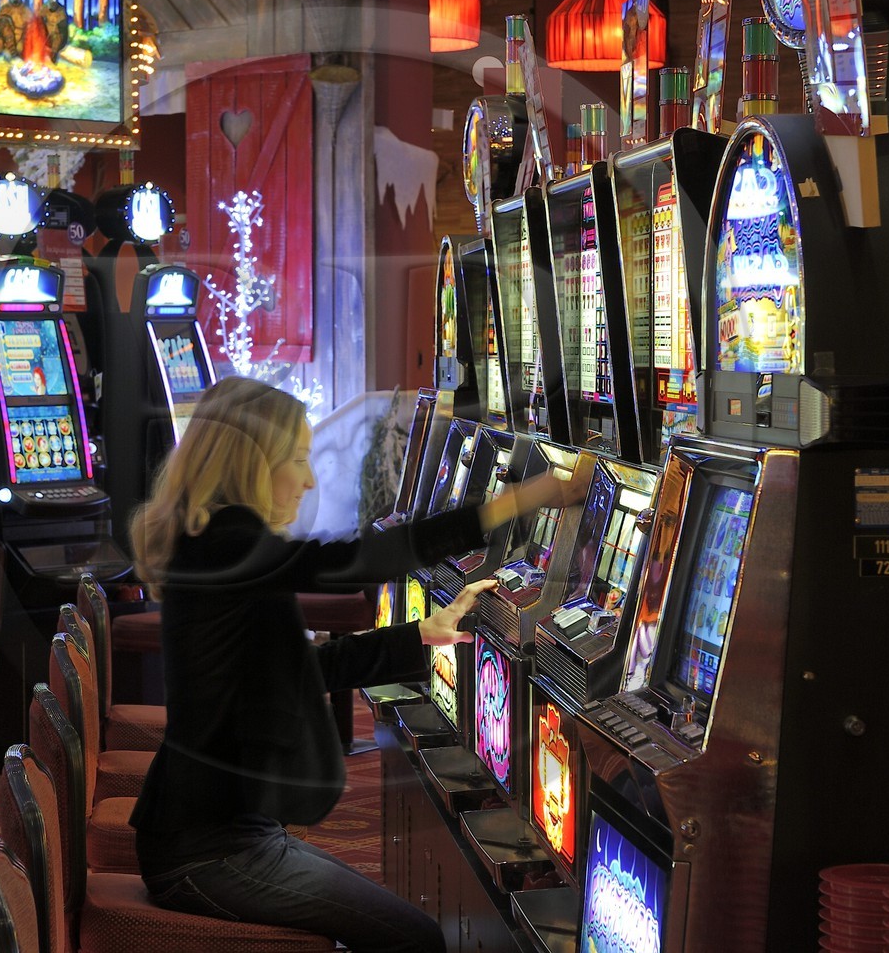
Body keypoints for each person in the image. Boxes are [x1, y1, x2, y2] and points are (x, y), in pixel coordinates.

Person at [127, 376, 588, 953]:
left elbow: (300, 669)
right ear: (250, 464)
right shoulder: (226, 543)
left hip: (225, 829)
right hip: (209, 849)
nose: (310, 477)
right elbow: (362, 560)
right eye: (296, 458)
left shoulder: (218, 544)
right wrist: (520, 499)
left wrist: (420, 633)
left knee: (404, 931)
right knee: (414, 938)